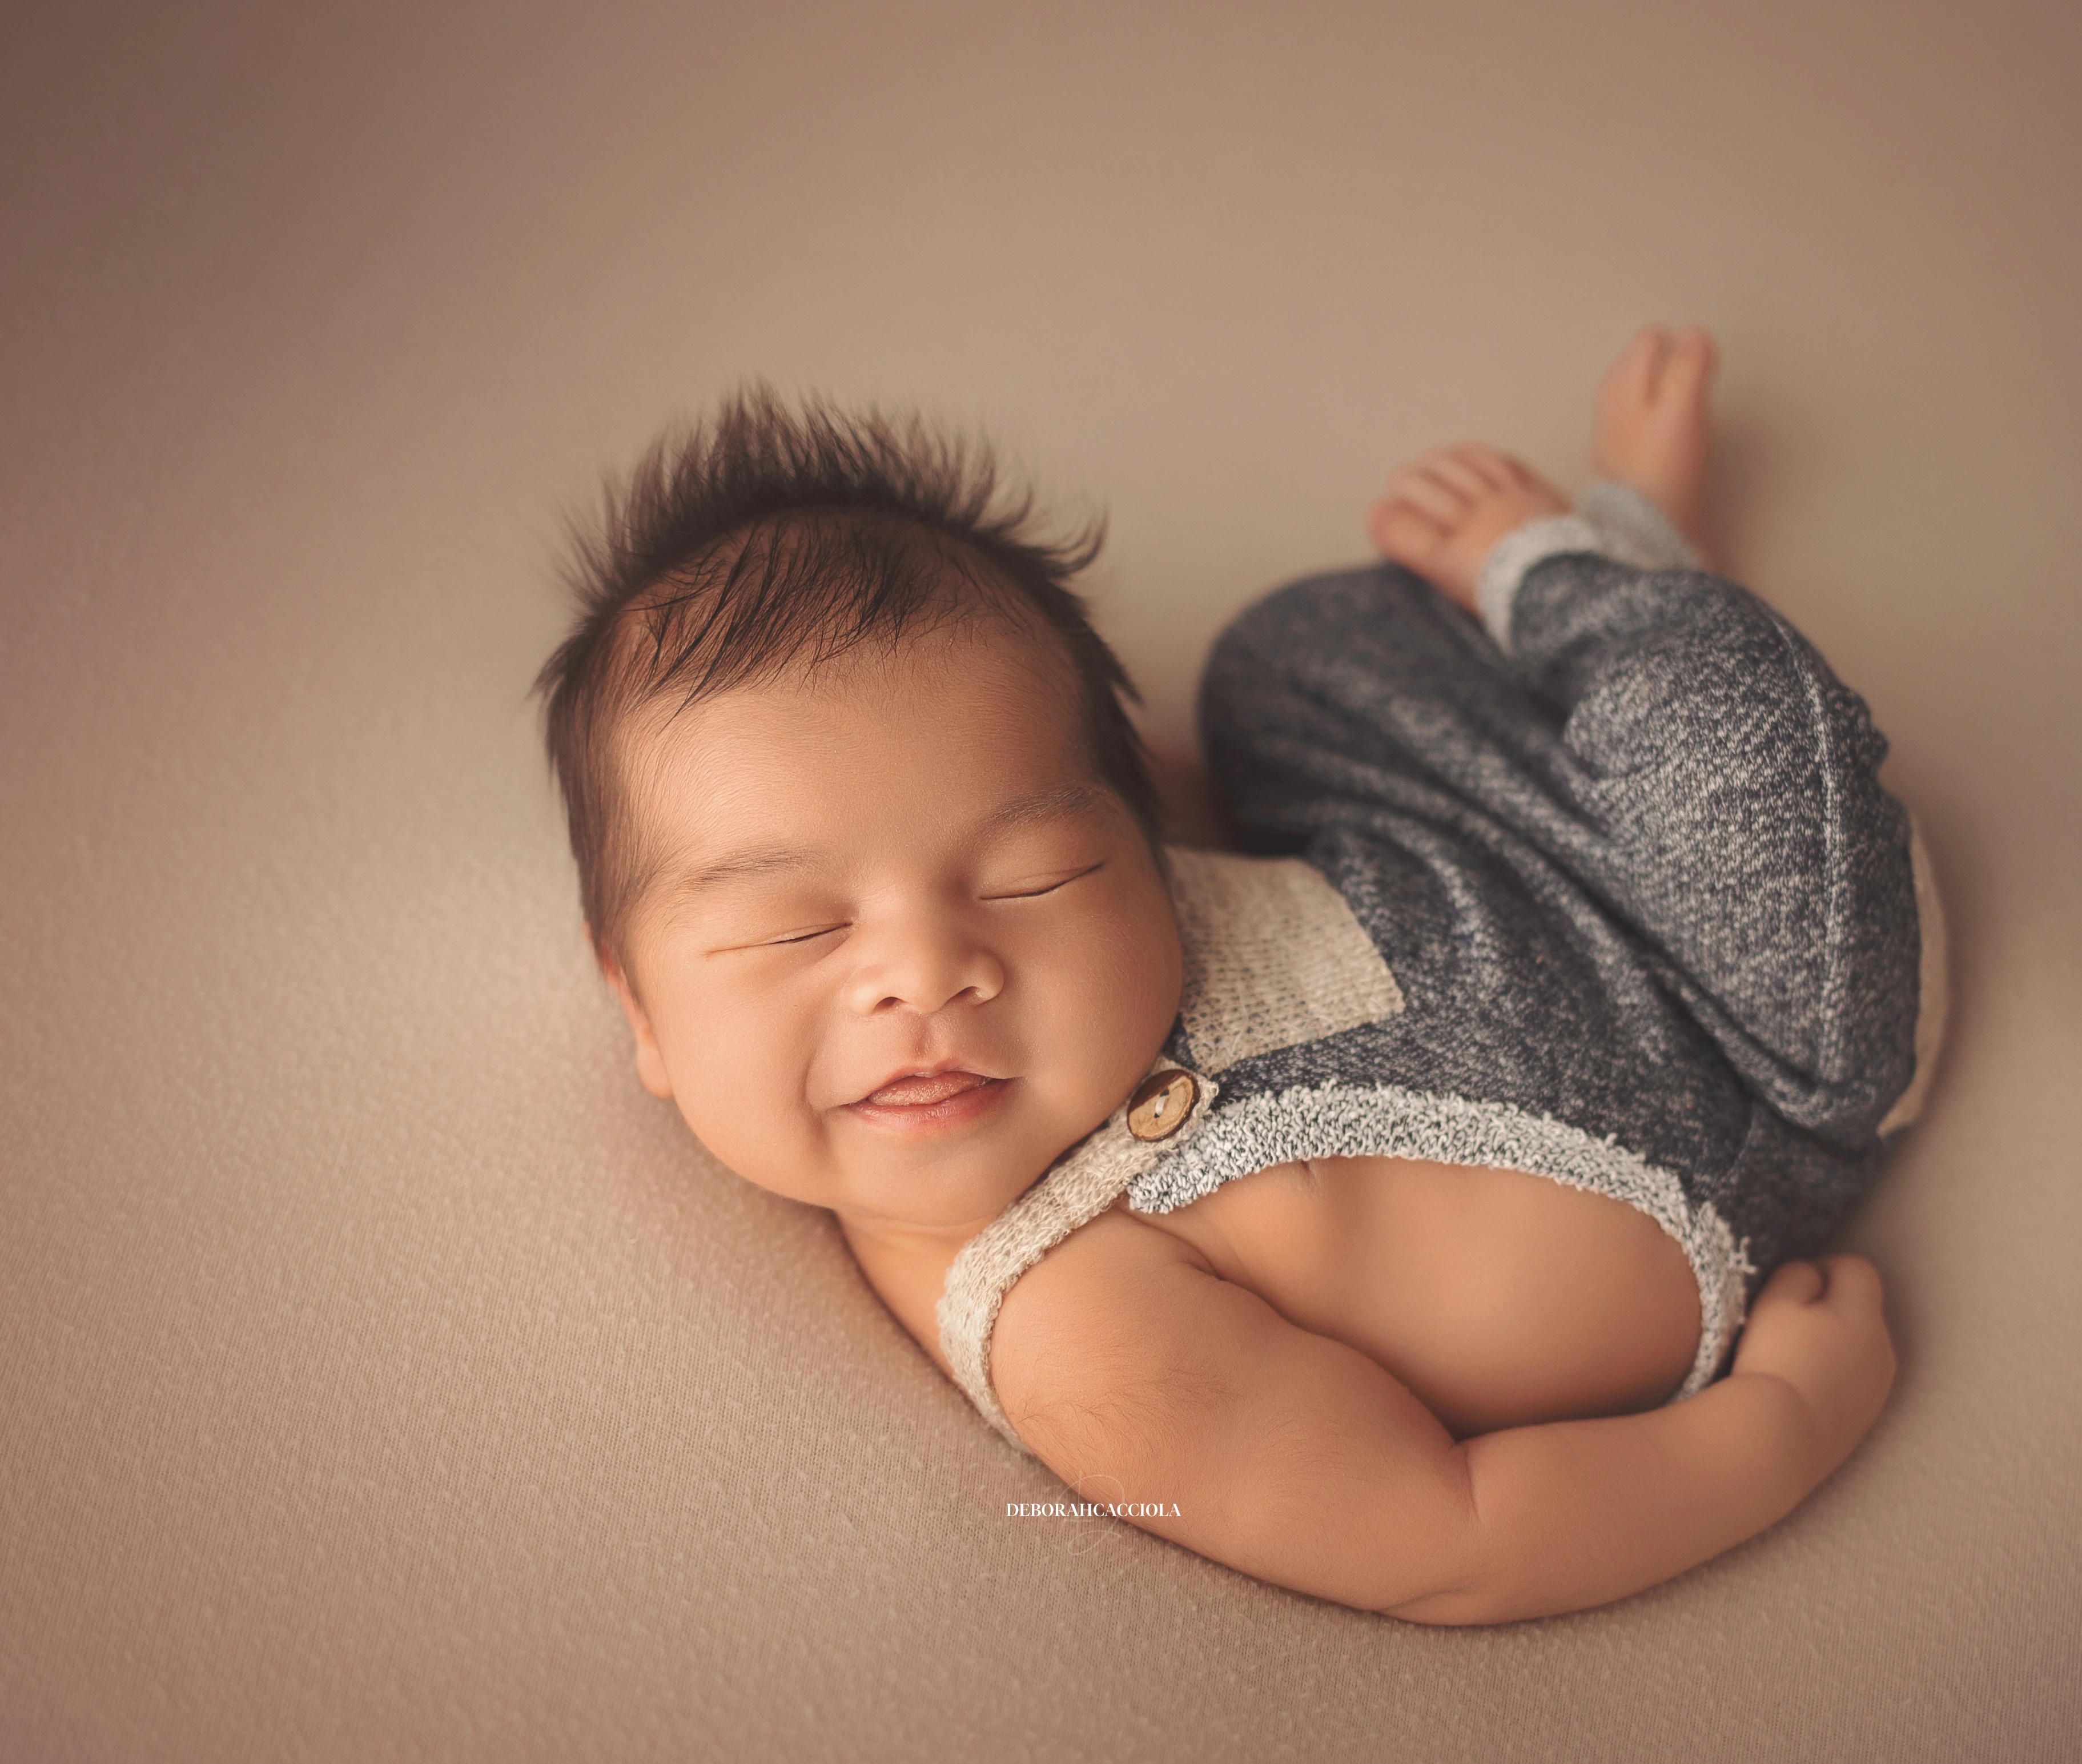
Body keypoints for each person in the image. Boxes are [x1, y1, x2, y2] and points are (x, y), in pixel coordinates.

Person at [534, 325, 1947, 1625]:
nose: (925, 971)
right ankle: (1590, 574)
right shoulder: (1085, 1337)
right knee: (1727, 716)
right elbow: (1447, 1541)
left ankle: (1608, 585)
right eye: (796, 930)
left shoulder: (1123, 854)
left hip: (1476, 855)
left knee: (1279, 658)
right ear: (637, 1006)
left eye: (1029, 874)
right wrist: (1781, 1425)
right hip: (1740, 1060)